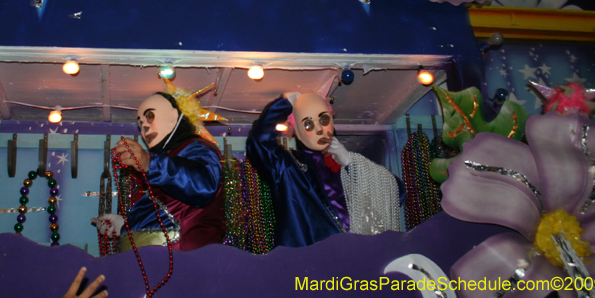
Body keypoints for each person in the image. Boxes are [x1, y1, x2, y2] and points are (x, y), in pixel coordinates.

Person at [246, 92, 401, 248]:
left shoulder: (352, 166)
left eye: (324, 120)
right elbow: (258, 142)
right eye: (308, 124)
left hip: (354, 257)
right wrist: (283, 105)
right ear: (297, 132)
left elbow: (395, 192)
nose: (319, 129)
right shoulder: (288, 166)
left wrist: (351, 163)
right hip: (308, 261)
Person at [93, 85, 225, 251]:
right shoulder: (162, 163)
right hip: (152, 264)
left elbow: (204, 186)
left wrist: (150, 164)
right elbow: (164, 213)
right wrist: (125, 227)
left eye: (150, 116)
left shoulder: (197, 148)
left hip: (183, 262)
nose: (145, 127)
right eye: (140, 123)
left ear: (175, 116)